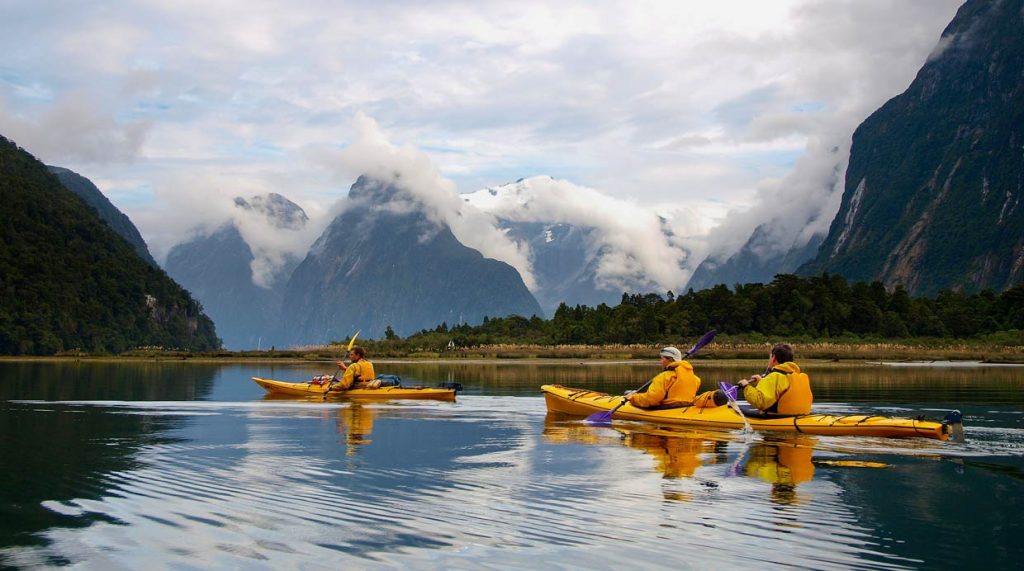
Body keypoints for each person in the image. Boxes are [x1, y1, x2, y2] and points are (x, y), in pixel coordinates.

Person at [735, 343, 813, 415]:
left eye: (770, 357)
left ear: (774, 358)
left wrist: (746, 386)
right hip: (802, 416)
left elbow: (760, 402)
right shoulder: (799, 376)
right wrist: (762, 381)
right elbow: (780, 388)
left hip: (780, 418)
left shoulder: (774, 377)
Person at [626, 347, 701, 409]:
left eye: (662, 358)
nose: (660, 361)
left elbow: (651, 399)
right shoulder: (696, 379)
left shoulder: (664, 377)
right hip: (687, 406)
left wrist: (633, 398)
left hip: (668, 408)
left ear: (669, 359)